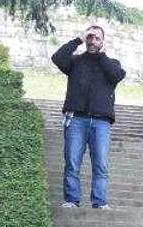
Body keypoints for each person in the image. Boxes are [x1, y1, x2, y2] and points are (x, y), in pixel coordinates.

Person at [51, 25, 126, 209]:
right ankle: (71, 200)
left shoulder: (112, 63)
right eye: (90, 37)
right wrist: (78, 39)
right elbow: (57, 58)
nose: (93, 41)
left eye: (97, 38)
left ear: (103, 42)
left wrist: (102, 55)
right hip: (76, 119)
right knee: (72, 162)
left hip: (101, 122)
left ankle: (100, 202)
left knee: (101, 164)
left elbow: (117, 76)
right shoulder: (75, 62)